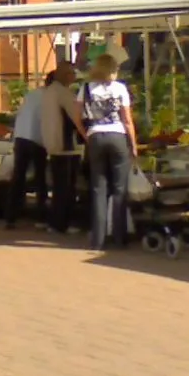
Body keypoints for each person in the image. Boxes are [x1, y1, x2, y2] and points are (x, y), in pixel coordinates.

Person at [69, 54, 138, 253]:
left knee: (98, 188)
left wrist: (86, 133)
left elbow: (76, 115)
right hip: (118, 137)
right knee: (119, 189)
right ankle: (119, 237)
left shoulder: (86, 88)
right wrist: (132, 144)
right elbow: (127, 120)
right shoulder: (120, 88)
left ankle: (97, 240)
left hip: (96, 137)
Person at [38, 62, 83, 234]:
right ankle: (63, 223)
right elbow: (76, 117)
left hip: (52, 143)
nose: (74, 76)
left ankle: (55, 223)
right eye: (72, 73)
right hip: (65, 145)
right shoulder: (64, 93)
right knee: (67, 187)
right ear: (65, 75)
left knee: (58, 187)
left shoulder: (49, 92)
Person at [5, 71, 50, 229]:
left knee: (18, 178)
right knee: (40, 180)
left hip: (21, 137)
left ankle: (11, 217)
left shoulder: (33, 94)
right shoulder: (50, 97)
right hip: (37, 139)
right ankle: (41, 218)